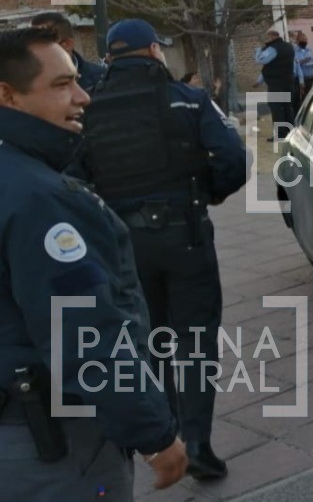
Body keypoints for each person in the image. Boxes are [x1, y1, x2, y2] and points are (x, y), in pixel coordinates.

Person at [0, 27, 188, 499]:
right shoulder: (40, 197)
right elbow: (87, 335)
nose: (82, 96)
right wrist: (155, 433)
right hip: (52, 447)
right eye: (62, 85)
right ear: (8, 96)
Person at [74, 19, 249, 479]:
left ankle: (162, 438)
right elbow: (232, 158)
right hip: (185, 237)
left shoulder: (89, 108)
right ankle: (198, 446)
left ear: (109, 57)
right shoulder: (188, 100)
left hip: (122, 247)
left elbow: (72, 175)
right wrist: (209, 194)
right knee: (195, 341)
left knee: (146, 342)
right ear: (154, 51)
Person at [30, 11, 105, 92]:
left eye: (41, 42)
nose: (31, 49)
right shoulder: (26, 85)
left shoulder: (102, 78)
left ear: (66, 44)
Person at [255, 29, 296, 140]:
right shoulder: (289, 47)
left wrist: (258, 51)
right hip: (288, 83)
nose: (265, 40)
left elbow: (260, 60)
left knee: (277, 109)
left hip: (276, 84)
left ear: (272, 37)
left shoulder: (273, 49)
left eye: (267, 37)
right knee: (287, 108)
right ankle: (291, 133)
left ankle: (280, 135)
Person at [293, 32, 313, 108]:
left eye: (305, 40)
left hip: (312, 77)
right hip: (302, 80)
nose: (304, 42)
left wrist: (312, 60)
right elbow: (296, 63)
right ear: (297, 41)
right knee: (304, 101)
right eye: (302, 40)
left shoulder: (309, 49)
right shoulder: (295, 51)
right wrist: (303, 61)